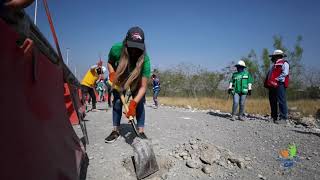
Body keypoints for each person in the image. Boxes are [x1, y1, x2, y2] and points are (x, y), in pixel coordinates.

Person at [105, 26, 151, 143]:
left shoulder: (145, 59)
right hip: (120, 77)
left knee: (139, 103)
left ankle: (140, 131)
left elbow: (143, 87)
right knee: (117, 101)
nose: (135, 51)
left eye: (138, 48)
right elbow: (109, 62)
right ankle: (116, 130)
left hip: (136, 80)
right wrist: (112, 73)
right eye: (132, 47)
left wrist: (133, 103)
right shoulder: (116, 49)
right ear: (126, 42)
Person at [264, 50, 289, 124]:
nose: (271, 58)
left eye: (273, 57)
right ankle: (273, 117)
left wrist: (277, 79)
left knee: (281, 100)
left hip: (280, 84)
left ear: (277, 56)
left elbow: (285, 73)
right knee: (272, 101)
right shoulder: (273, 66)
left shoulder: (284, 63)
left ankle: (283, 118)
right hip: (272, 85)